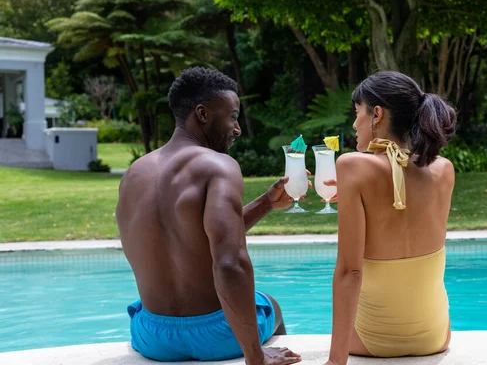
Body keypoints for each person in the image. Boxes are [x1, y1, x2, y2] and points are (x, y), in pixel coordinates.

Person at [116, 67, 304, 364]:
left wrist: (266, 203)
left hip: (152, 336)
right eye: (232, 116)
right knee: (271, 307)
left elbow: (194, 237)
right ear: (202, 114)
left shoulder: (134, 173)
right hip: (219, 335)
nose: (238, 128)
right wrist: (255, 356)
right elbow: (230, 264)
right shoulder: (219, 166)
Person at [325, 71, 457, 364]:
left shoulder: (351, 166)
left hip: (374, 341)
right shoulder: (444, 169)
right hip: (435, 337)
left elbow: (350, 272)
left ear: (377, 114)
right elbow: (406, 209)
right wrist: (352, 196)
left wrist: (335, 362)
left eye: (357, 112)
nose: (354, 123)